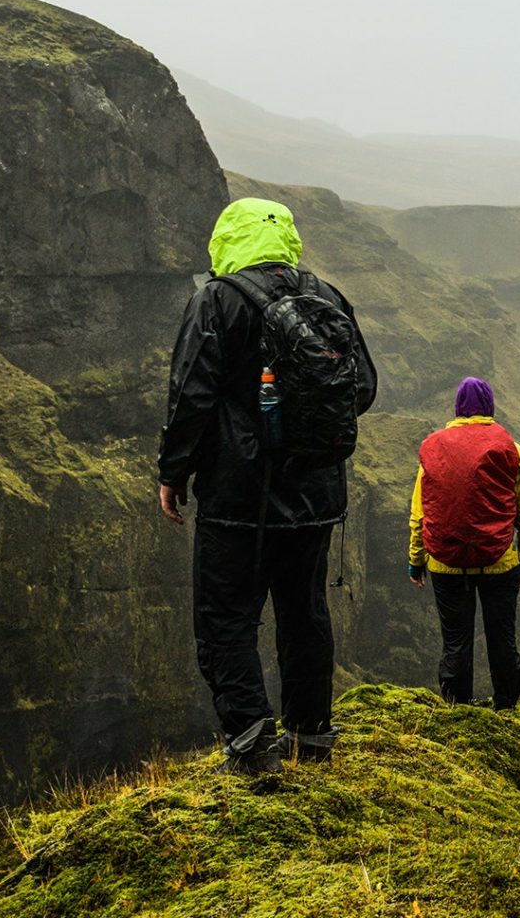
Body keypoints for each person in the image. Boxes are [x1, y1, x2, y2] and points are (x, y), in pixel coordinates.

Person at [158, 197, 377, 773]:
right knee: (305, 614)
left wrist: (172, 472)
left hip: (238, 499)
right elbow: (364, 389)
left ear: (227, 239)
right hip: (315, 496)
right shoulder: (326, 297)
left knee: (226, 618)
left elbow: (191, 397)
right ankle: (311, 741)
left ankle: (253, 749)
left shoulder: (215, 300)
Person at [407, 377, 520, 710]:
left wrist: (416, 560)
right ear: (490, 406)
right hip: (499, 563)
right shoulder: (511, 448)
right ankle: (506, 707)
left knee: (455, 643)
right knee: (502, 640)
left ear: (457, 407)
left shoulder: (435, 447)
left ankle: (458, 708)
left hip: (446, 564)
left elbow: (421, 511)